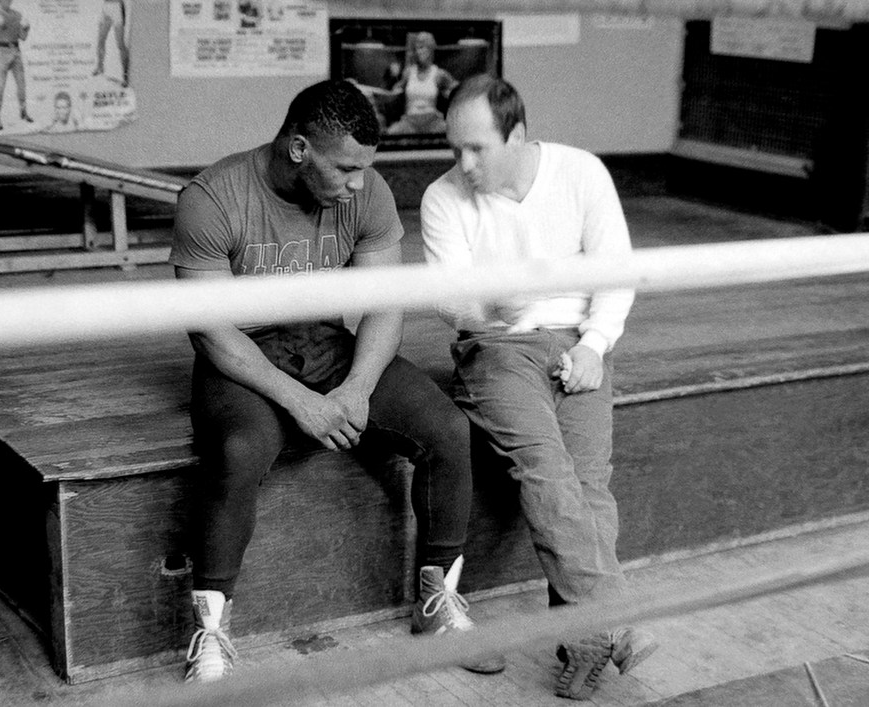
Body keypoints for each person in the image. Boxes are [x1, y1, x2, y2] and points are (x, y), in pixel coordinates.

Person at [169, 79, 504, 684]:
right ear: (299, 149)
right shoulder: (212, 198)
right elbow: (211, 331)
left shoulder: (365, 188)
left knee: (447, 428)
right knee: (237, 450)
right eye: (346, 168)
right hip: (243, 356)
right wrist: (301, 403)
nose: (359, 183)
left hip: (326, 344)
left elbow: (384, 302)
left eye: (364, 170)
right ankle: (210, 635)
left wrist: (354, 390)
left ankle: (439, 604)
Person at [420, 74, 658, 701]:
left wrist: (594, 344)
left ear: (517, 136)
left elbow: (616, 267)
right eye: (455, 149)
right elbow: (451, 302)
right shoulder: (443, 198)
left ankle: (583, 642)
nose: (463, 164)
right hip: (496, 347)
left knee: (590, 488)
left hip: (577, 339)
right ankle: (616, 622)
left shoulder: (580, 174)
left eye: (477, 149)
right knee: (548, 473)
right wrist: (489, 307)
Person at [385, 32, 458, 135]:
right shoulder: (408, 72)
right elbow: (393, 92)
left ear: (431, 50)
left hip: (433, 122)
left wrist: (450, 94)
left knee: (453, 133)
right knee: (390, 133)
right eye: (417, 48)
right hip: (410, 121)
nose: (419, 52)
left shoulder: (439, 74)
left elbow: (458, 89)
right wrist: (393, 79)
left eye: (423, 48)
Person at [0, 0, 33, 131]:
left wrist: (26, 28)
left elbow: (22, 37)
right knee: (0, 85)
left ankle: (23, 111)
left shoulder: (17, 15)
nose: (6, 2)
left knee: (21, 83)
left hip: (16, 51)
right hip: (1, 51)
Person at [92, 0, 130, 88]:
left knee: (120, 44)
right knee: (100, 40)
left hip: (117, 6)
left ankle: (126, 75)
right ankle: (100, 67)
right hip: (106, 6)